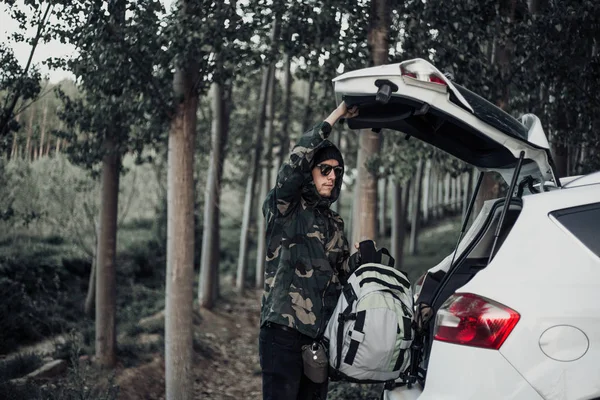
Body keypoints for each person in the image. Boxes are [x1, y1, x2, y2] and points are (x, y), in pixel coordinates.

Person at [259, 101, 359, 400]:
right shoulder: (286, 207)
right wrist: (337, 114)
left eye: (337, 171)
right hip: (283, 334)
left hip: (317, 341)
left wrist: (360, 262)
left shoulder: (334, 222)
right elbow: (294, 162)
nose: (332, 176)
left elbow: (339, 278)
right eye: (324, 169)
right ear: (309, 172)